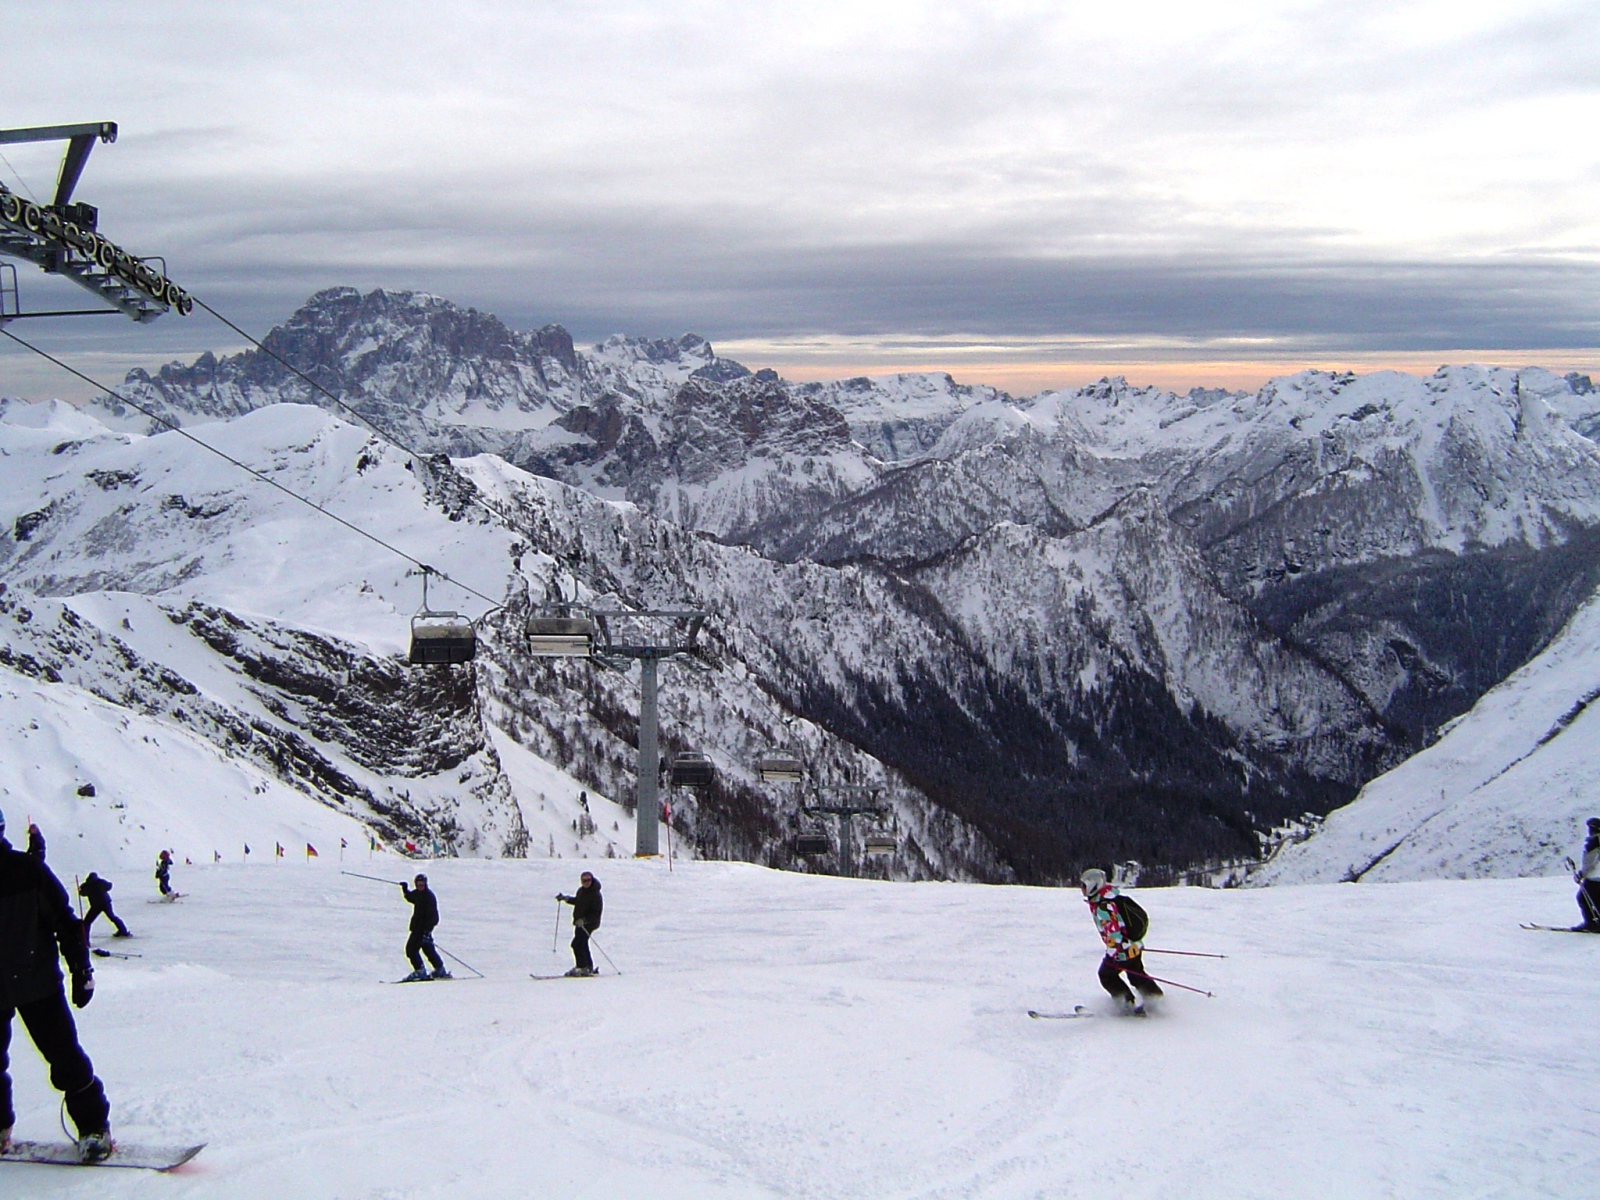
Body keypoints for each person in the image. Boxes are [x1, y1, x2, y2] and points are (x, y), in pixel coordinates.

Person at [0, 807, 113, 1161]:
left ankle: (94, 1131)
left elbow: (66, 923)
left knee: (65, 1059)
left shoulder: (29, 870)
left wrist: (81, 969)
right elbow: (67, 923)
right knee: (64, 1059)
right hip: (31, 984)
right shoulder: (31, 868)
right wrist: (80, 971)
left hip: (38, 986)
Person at [1080, 867, 1163, 1014]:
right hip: (1134, 946)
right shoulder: (1112, 898)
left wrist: (1113, 952)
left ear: (1093, 885)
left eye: (1084, 886)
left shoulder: (1103, 907)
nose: (1082, 889)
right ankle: (1156, 1000)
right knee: (1136, 974)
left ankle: (1126, 1005)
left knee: (1106, 975)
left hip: (1121, 950)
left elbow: (1114, 933)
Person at [399, 874, 449, 981]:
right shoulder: (418, 894)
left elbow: (434, 917)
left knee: (411, 950)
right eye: (418, 884)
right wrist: (405, 889)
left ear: (425, 884)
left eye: (422, 884)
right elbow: (411, 898)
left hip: (422, 929)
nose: (420, 886)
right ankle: (439, 969)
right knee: (428, 949)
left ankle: (420, 970)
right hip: (417, 928)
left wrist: (427, 931)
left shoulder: (428, 896)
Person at [556, 872, 602, 977]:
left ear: (592, 880)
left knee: (577, 944)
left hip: (589, 924)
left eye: (588, 880)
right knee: (582, 944)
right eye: (584, 880)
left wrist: (584, 921)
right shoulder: (582, 891)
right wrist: (566, 898)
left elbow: (596, 913)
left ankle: (582, 967)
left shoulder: (595, 894)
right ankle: (587, 967)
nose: (586, 882)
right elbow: (578, 901)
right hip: (579, 923)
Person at [78, 873, 131, 940]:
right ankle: (123, 931)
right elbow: (109, 886)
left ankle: (85, 940)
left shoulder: (86, 885)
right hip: (106, 903)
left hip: (95, 905)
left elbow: (82, 893)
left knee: (87, 922)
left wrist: (80, 890)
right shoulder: (100, 882)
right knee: (112, 917)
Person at [1575, 818, 1600, 931]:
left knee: (1583, 898)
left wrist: (1582, 874)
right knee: (1596, 900)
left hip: (1594, 877)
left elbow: (1589, 861)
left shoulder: (1593, 842)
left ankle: (1590, 923)